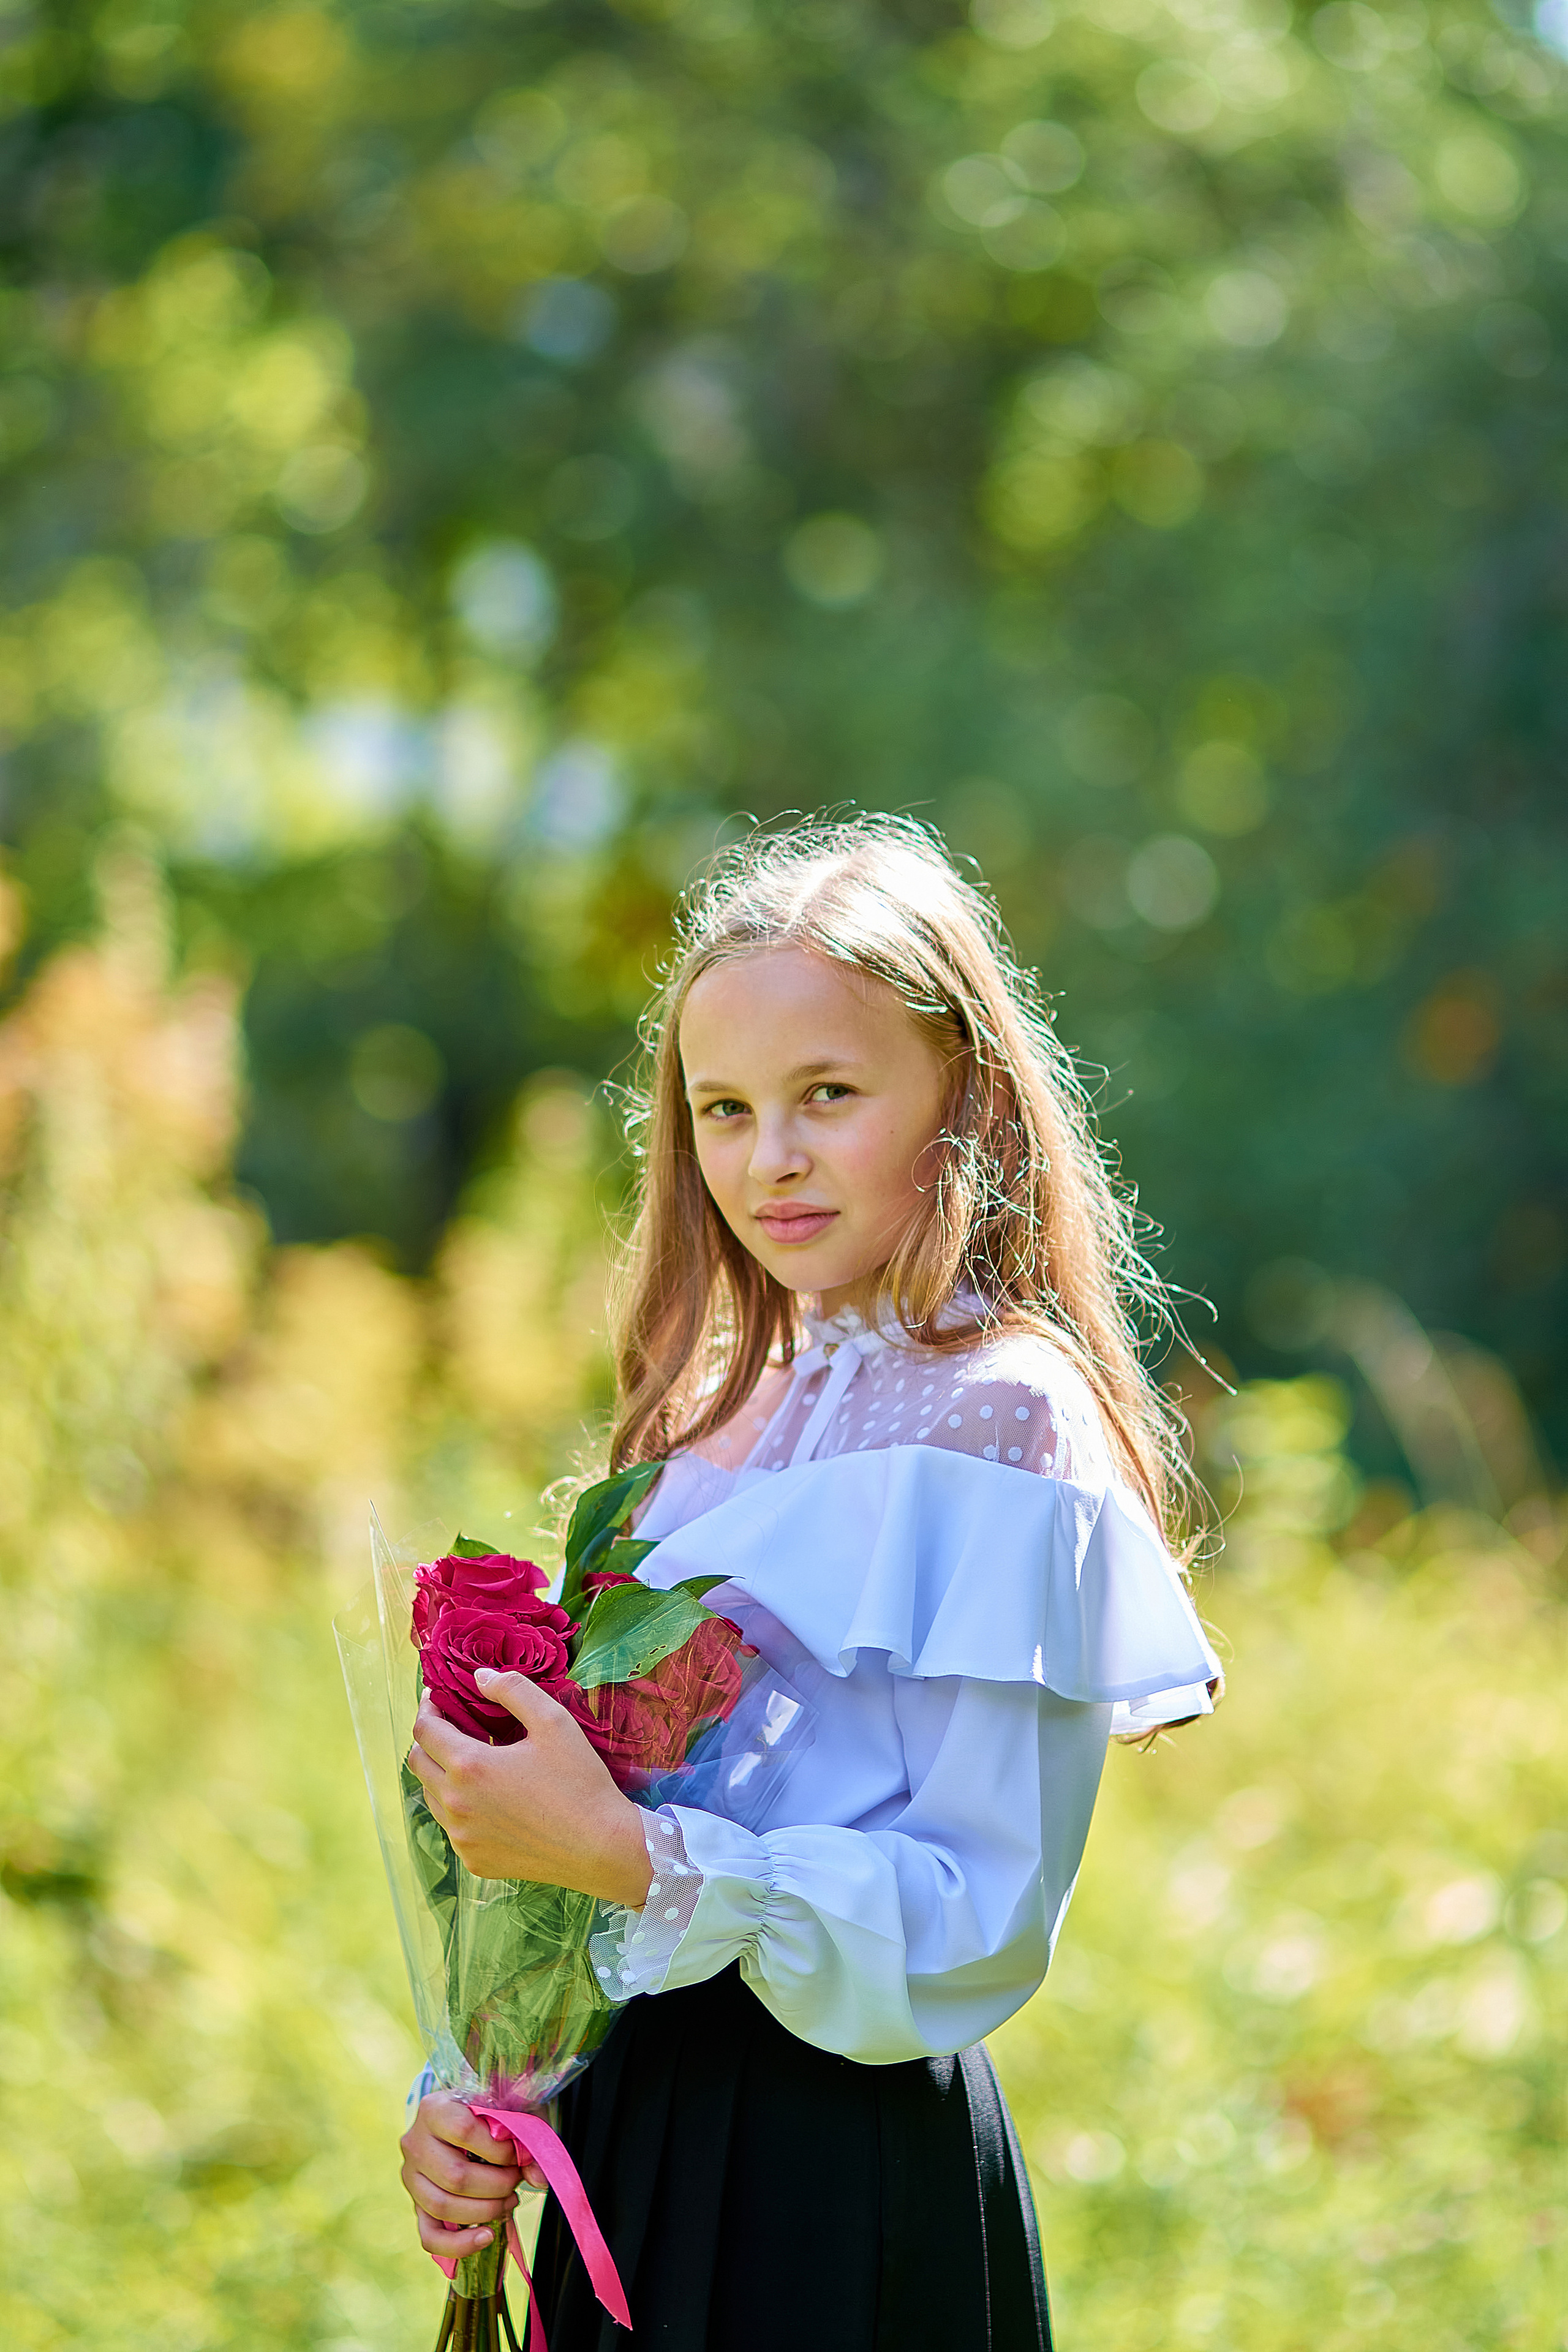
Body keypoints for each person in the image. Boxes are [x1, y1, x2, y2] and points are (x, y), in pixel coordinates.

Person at [399, 816, 1222, 2350]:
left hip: (833, 2166)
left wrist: (640, 1861)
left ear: (963, 1094)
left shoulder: (1001, 1414)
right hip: (629, 2144)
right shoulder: (703, 1418)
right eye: (722, 1109)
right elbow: (600, 1851)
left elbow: (977, 1911)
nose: (767, 1156)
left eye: (826, 1095)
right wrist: (487, 2087)